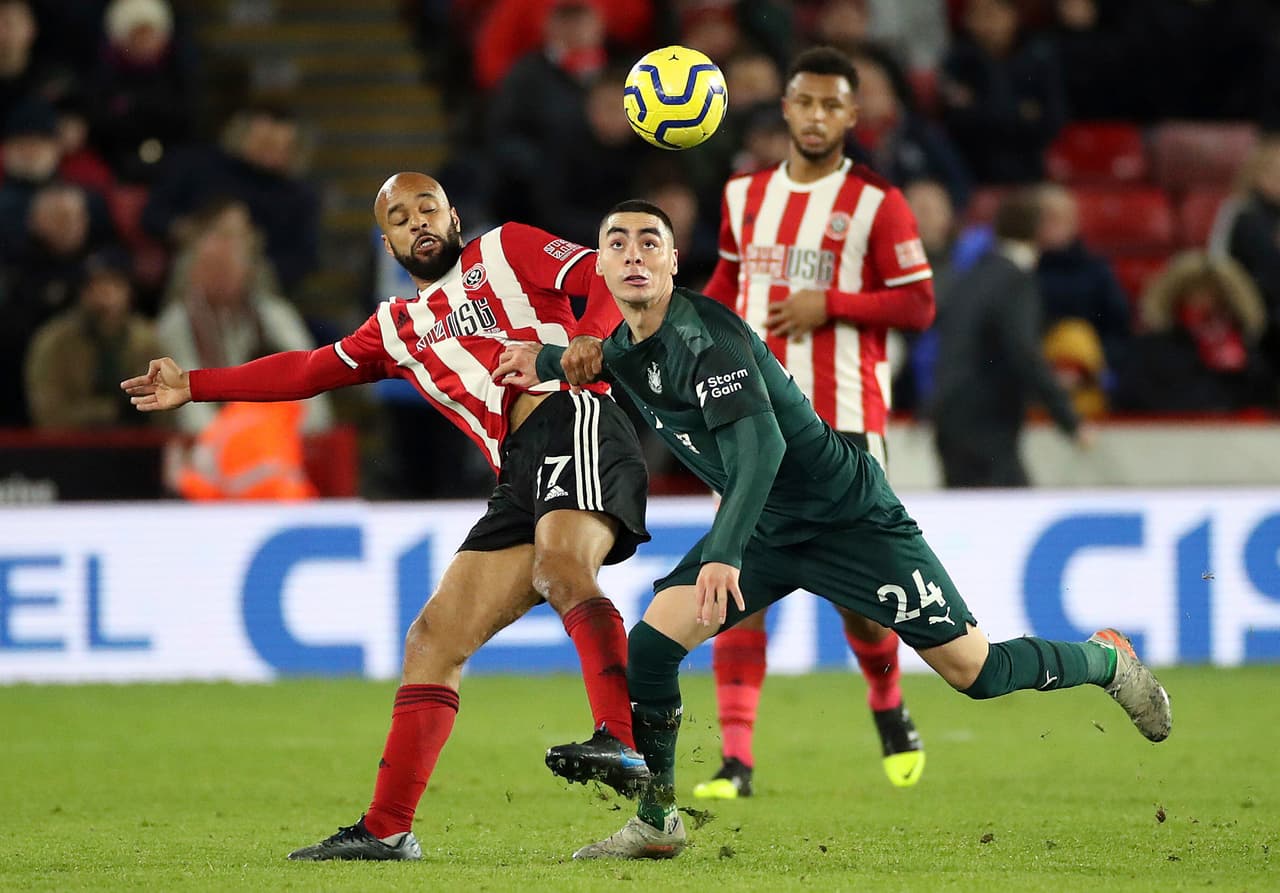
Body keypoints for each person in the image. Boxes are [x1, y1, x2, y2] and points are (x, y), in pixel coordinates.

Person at [494, 199, 1172, 860]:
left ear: (674, 259)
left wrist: (724, 552)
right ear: (601, 267)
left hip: (848, 518)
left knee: (977, 671)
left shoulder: (710, 336)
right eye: (617, 243)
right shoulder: (623, 345)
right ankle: (658, 820)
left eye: (650, 241)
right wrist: (545, 362)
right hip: (768, 525)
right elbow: (601, 359)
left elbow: (762, 452)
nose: (634, 254)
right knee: (651, 646)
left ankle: (1106, 659)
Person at [121, 172, 653, 862]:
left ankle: (619, 736)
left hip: (573, 415)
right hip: (515, 469)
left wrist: (586, 337)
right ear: (388, 242)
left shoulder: (509, 248)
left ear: (454, 214)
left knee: (561, 565)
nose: (417, 222)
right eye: (399, 218)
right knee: (434, 637)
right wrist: (195, 384)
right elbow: (308, 371)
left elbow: (604, 278)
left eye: (427, 207)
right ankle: (386, 828)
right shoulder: (396, 329)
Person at [695, 45, 937, 798]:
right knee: (728, 584)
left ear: (852, 116)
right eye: (805, 102)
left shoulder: (877, 203)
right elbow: (728, 281)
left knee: (861, 604)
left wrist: (831, 303)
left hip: (844, 421)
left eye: (833, 105)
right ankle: (736, 760)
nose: (817, 116)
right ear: (787, 107)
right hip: (745, 415)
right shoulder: (743, 195)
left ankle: (888, 701)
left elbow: (918, 304)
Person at [929, 189, 1088, 488]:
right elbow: (1023, 351)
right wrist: (1069, 419)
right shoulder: (1015, 281)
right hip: (985, 423)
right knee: (1008, 507)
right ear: (1040, 230)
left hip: (950, 414)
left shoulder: (976, 273)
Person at [24, 246, 159, 429]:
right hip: (70, 449)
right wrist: (112, 411)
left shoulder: (146, 341)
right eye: (93, 286)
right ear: (81, 293)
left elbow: (164, 409)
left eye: (113, 284)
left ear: (128, 291)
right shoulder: (54, 342)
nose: (104, 296)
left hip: (137, 446)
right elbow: (49, 413)